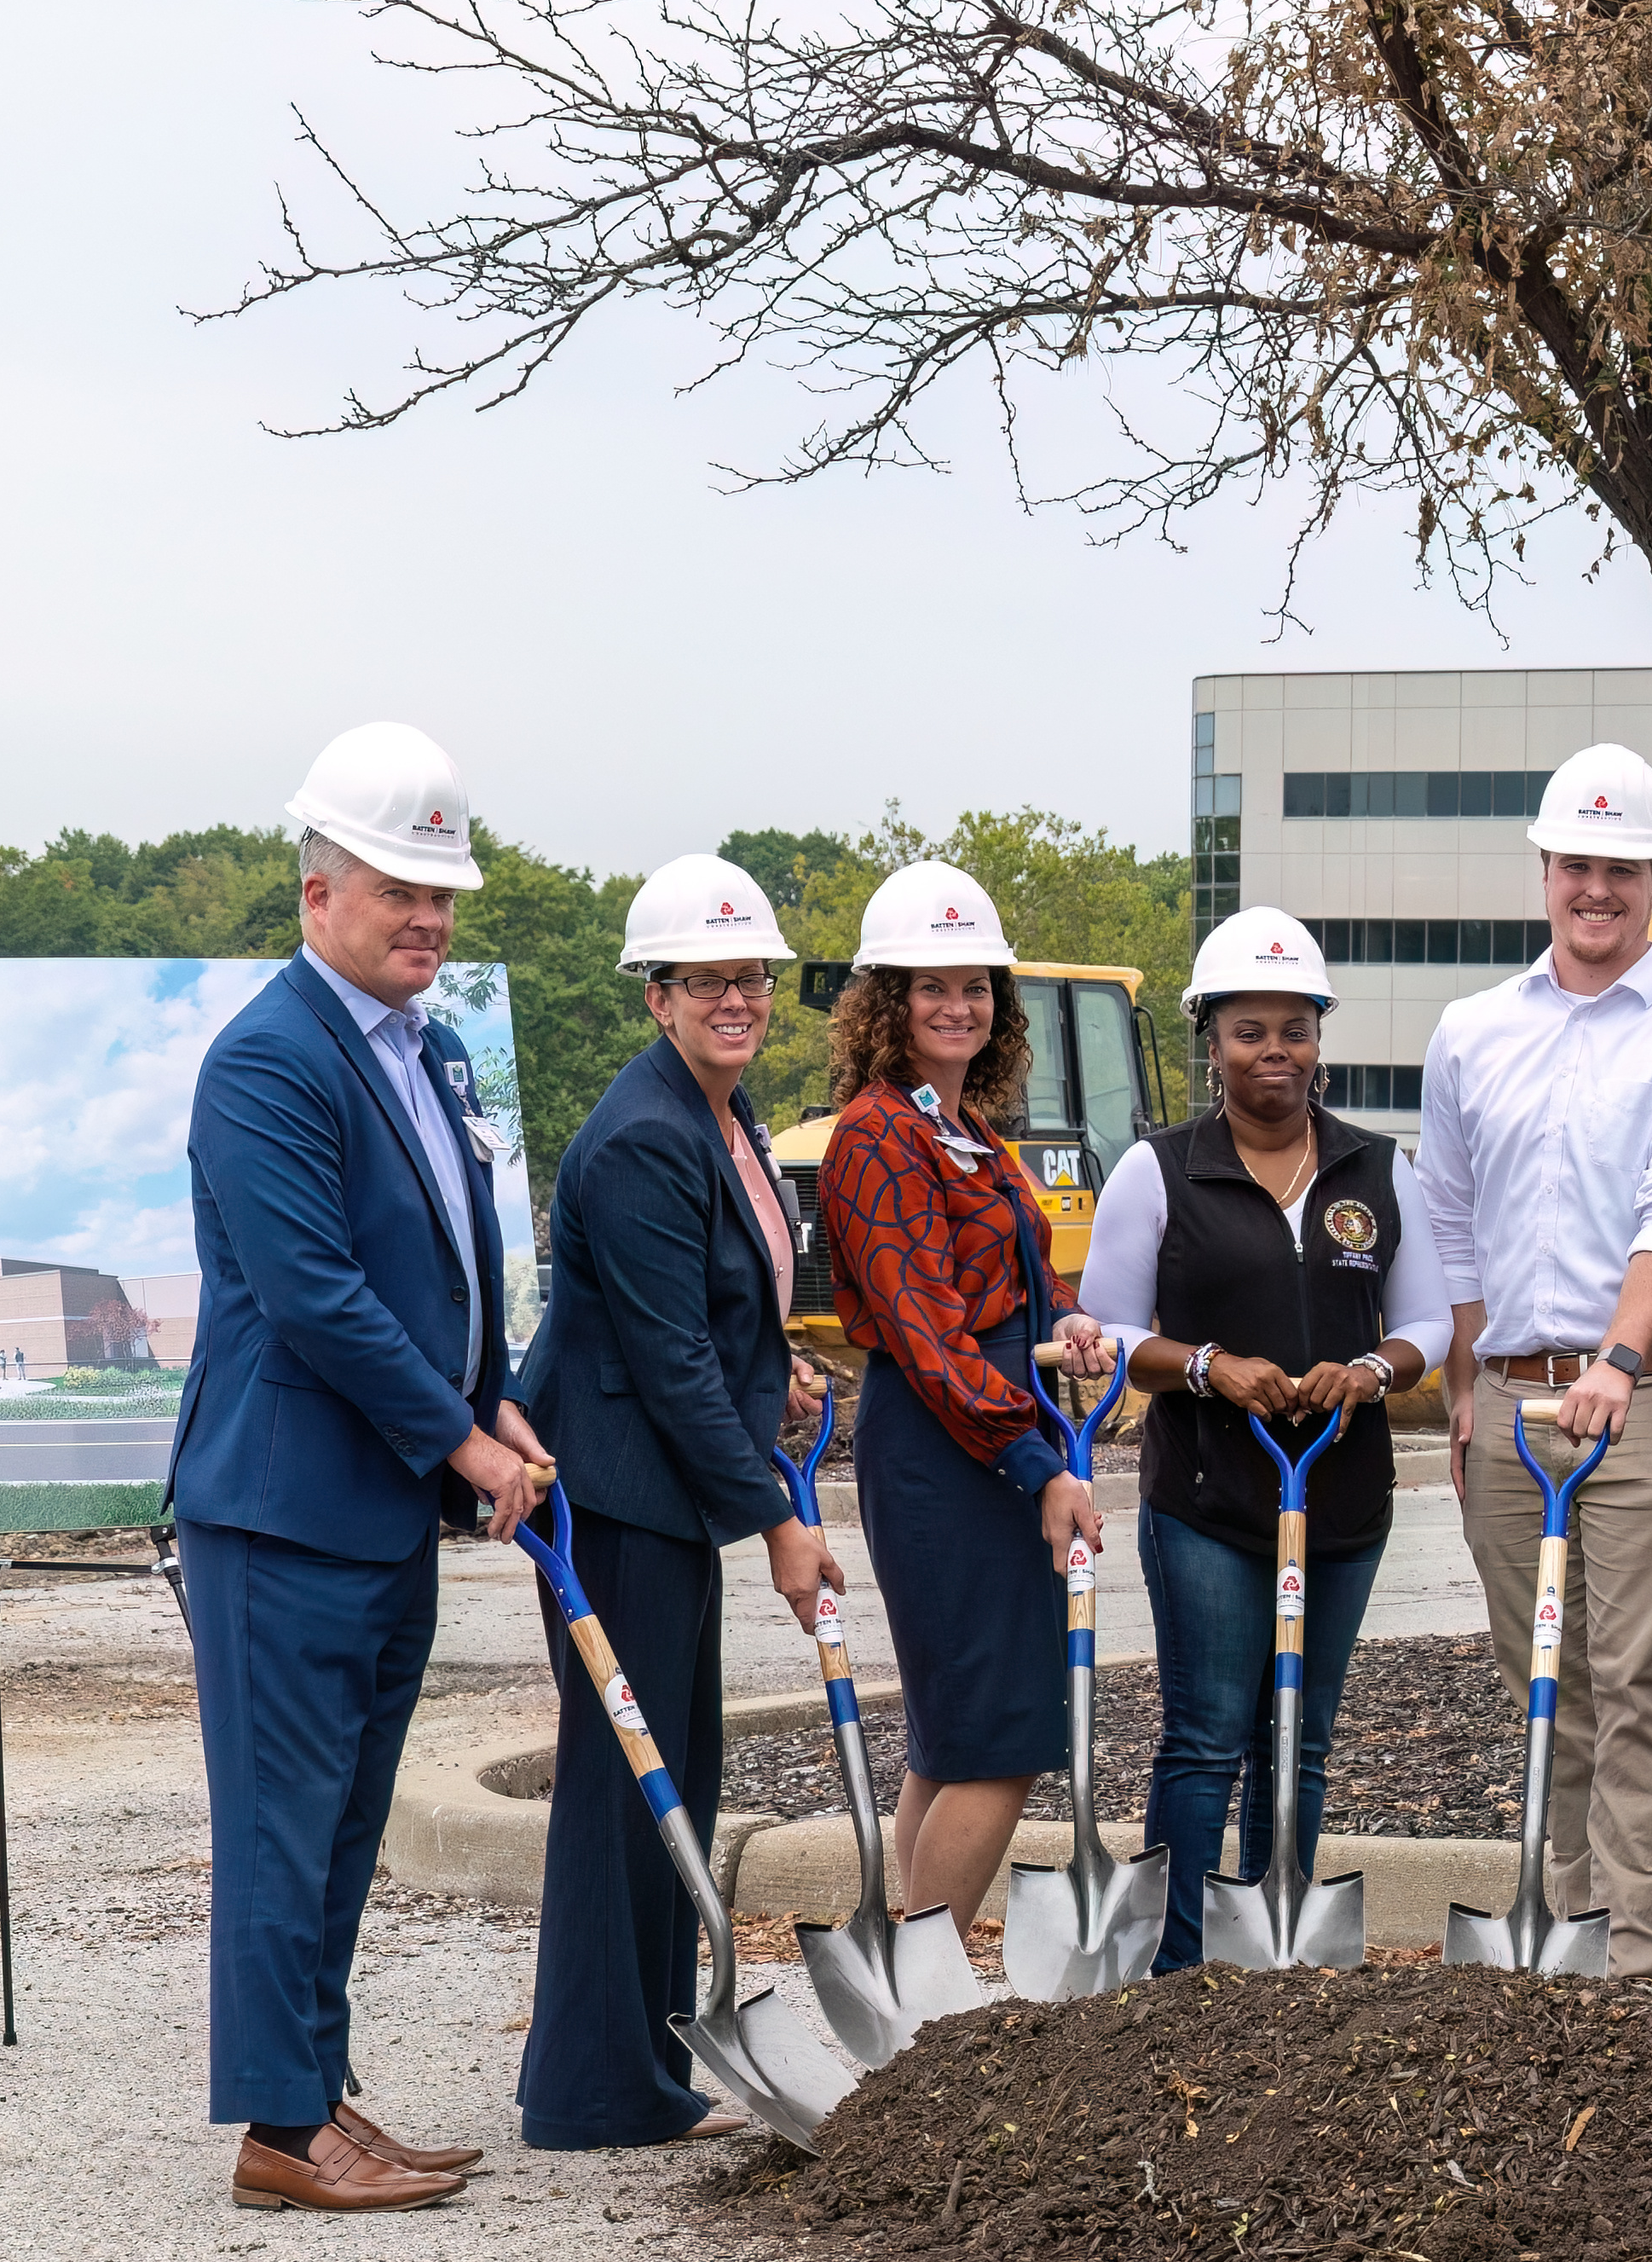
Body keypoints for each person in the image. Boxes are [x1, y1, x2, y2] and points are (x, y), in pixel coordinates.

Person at [174, 721, 546, 2213]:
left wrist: (494, 1401)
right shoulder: (266, 1061)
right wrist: (454, 1436)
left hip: (377, 1511)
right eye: (399, 886)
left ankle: (318, 2094)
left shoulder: (433, 1049)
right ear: (316, 889)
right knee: (283, 1822)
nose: (427, 918)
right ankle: (279, 2129)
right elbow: (318, 1290)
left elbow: (458, 1256)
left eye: (443, 892)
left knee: (340, 1822)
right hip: (280, 1512)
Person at [508, 857, 840, 2144]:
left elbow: (718, 1316)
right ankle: (598, 2091)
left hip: (652, 1497)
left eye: (752, 975)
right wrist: (779, 1517)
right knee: (627, 1786)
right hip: (617, 1501)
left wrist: (782, 1373)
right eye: (707, 979)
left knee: (669, 1779)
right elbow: (667, 1358)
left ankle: (625, 2068)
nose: (738, 998)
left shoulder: (722, 1114)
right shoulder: (649, 1133)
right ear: (657, 995)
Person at [1422, 744, 1652, 1974]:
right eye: (1577, 865)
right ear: (1545, 871)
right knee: (1549, 1690)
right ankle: (1569, 1948)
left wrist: (1618, 1356)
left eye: (1623, 868)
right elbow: (1449, 1214)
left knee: (1641, 1693)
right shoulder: (1470, 1032)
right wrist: (1465, 1385)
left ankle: (1650, 1972)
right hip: (1510, 1398)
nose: (1597, 889)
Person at [1073, 907, 1448, 1971]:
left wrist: (1372, 1370)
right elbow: (1111, 1329)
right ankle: (1179, 1966)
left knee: (1301, 1736)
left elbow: (1422, 1325)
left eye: (1295, 1028)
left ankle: (1272, 1962)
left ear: (1319, 1037)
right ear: (1212, 1040)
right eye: (1250, 1031)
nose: (1274, 1052)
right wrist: (1208, 1366)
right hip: (1208, 1498)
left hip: (1339, 1497)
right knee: (1204, 1740)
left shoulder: (1377, 1171)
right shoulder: (1159, 1171)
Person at [819, 862, 1114, 1923]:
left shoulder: (964, 1126)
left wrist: (1065, 1313)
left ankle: (911, 1981)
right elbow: (928, 1328)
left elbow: (1009, 1275)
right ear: (885, 1005)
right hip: (947, 1446)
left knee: (955, 1729)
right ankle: (924, 1978)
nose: (959, 1007)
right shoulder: (875, 1136)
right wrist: (1034, 1465)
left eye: (976, 987)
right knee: (1003, 1731)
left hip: (984, 1431)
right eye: (930, 987)